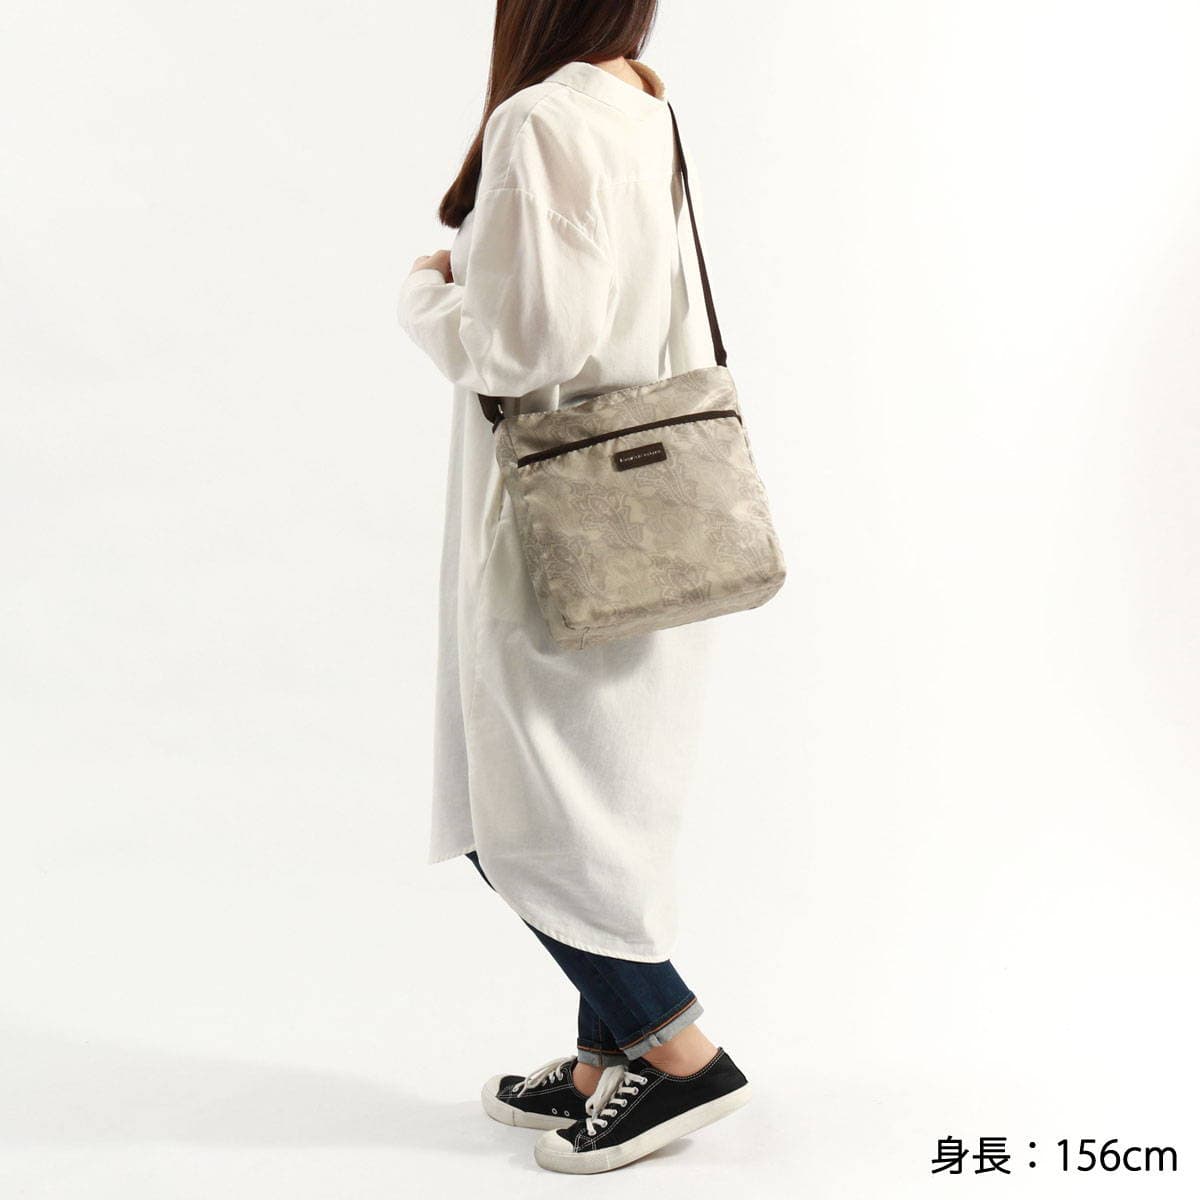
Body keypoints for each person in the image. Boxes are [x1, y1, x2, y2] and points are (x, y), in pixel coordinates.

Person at [397, 0, 750, 1174]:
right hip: (651, 506)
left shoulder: (539, 120)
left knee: (520, 814)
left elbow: (524, 346)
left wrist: (427, 294)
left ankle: (679, 1051)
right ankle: (608, 1060)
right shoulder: (642, 103)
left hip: (558, 523)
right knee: (596, 802)